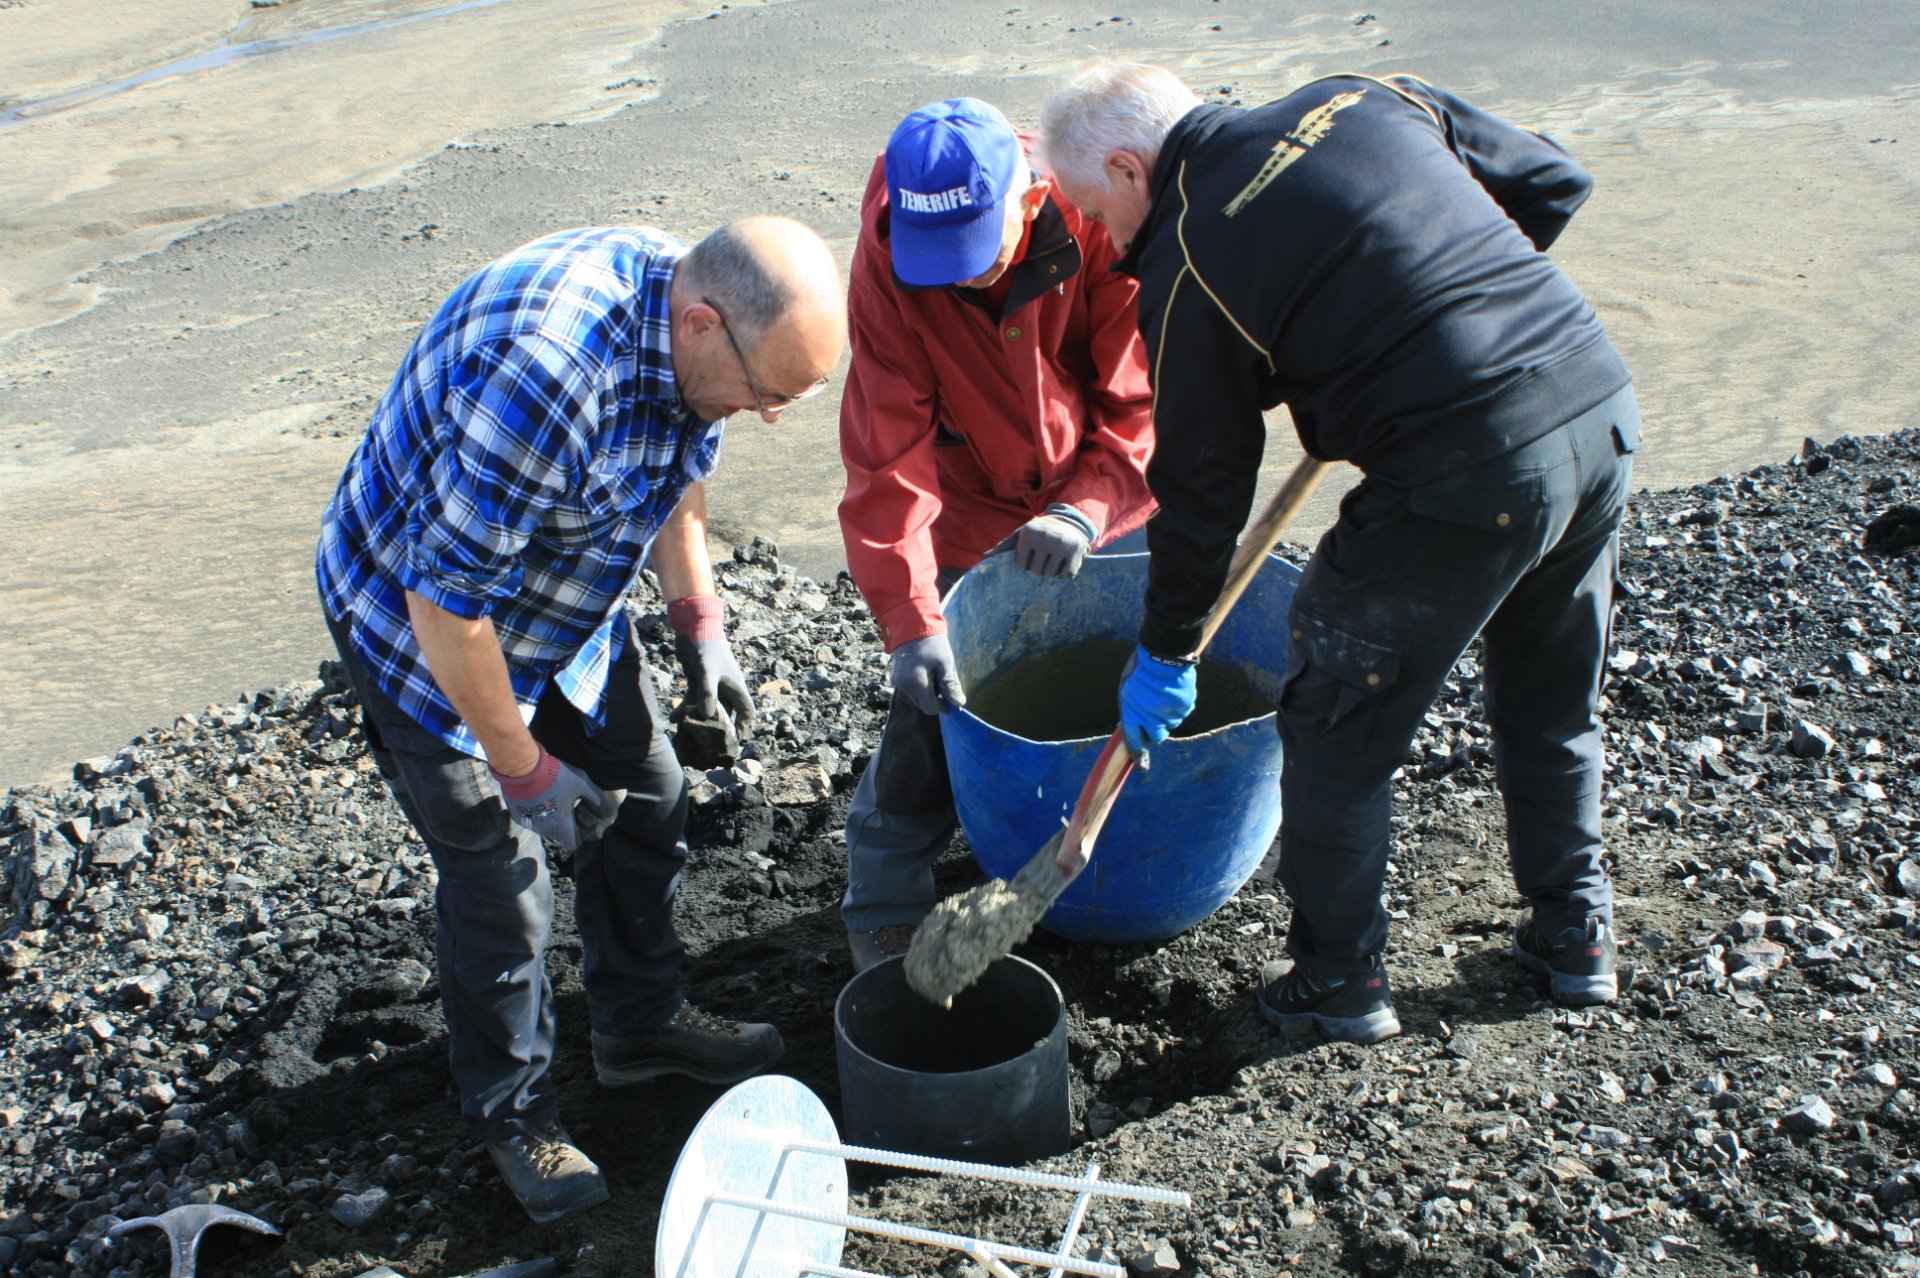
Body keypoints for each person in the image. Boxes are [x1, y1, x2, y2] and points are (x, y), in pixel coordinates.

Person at [1040, 62, 1640, 1044]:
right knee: (1550, 693)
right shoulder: (1366, 93)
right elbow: (1551, 184)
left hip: (1464, 468)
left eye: (1096, 212)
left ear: (1127, 166)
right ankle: (1575, 938)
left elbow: (1202, 491)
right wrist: (1429, 320)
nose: (1103, 239)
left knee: (1331, 719)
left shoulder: (1185, 254)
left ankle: (1337, 982)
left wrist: (1167, 653)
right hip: (1595, 405)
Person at [315, 217, 845, 1221]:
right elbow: (446, 603)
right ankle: (511, 1113)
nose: (770, 417)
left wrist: (701, 628)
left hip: (563, 602)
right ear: (699, 323)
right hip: (424, 631)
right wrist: (523, 772)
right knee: (503, 885)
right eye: (770, 394)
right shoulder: (550, 372)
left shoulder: (694, 328)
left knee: (650, 792)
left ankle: (636, 1029)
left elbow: (678, 473)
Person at [837, 98, 1157, 970]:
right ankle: (883, 897)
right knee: (930, 706)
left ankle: (1123, 860)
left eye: (978, 258)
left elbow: (1142, 397)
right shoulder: (889, 262)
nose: (964, 281)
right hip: (972, 498)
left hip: (1103, 491)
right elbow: (885, 457)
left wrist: (1085, 507)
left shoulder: (1093, 219)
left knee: (1135, 672)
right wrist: (910, 624)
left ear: (1028, 200)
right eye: (940, 266)